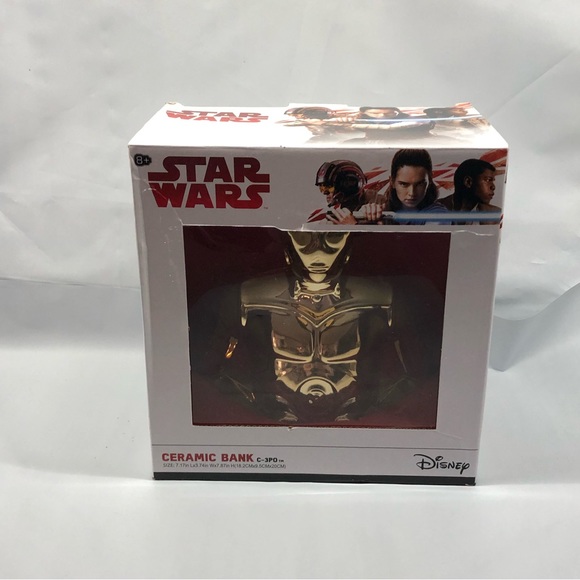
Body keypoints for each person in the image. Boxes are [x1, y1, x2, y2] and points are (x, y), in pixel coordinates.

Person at [333, 149, 447, 225]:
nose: (412, 193)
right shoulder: (384, 207)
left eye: (419, 184)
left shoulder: (438, 215)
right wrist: (366, 219)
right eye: (404, 184)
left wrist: (354, 228)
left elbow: (421, 251)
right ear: (392, 181)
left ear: (430, 181)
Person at [439, 158, 501, 224]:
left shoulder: (495, 216)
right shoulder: (435, 209)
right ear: (468, 182)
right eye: (488, 180)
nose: (493, 187)